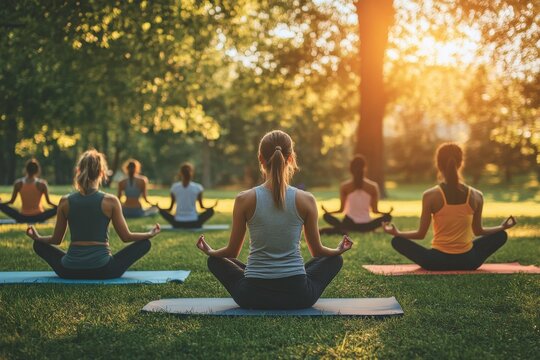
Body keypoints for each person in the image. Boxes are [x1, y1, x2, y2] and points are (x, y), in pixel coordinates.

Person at [196, 130, 353, 310]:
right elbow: (317, 252)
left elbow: (232, 252)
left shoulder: (243, 199)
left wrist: (211, 252)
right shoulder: (306, 199)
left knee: (215, 261)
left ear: (261, 159)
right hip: (299, 295)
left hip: (251, 296)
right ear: (291, 158)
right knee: (335, 259)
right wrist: (338, 250)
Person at [25, 150, 161, 279]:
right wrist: (149, 234)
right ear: (102, 172)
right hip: (104, 270)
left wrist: (38, 238)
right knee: (145, 244)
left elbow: (56, 240)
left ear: (78, 171)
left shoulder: (65, 201)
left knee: (38, 245)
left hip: (68, 271)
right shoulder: (111, 201)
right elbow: (126, 237)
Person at [383, 143, 516, 271]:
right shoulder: (477, 195)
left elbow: (421, 234)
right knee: (501, 235)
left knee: (397, 241)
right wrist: (502, 227)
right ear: (460, 164)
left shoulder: (430, 195)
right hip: (469, 261)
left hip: (436, 262)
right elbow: (478, 231)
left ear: (438, 165)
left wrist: (398, 233)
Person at [320, 155, 392, 235]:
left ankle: (341, 229)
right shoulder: (373, 186)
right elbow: (375, 211)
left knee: (326, 216)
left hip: (349, 223)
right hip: (367, 226)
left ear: (351, 169)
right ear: (365, 168)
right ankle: (343, 229)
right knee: (388, 218)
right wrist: (386, 213)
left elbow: (341, 210)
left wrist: (328, 212)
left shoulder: (345, 186)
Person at [158, 162, 217, 228]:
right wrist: (211, 207)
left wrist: (160, 209)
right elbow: (202, 207)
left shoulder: (174, 187)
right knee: (211, 211)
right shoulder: (198, 187)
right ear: (192, 173)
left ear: (180, 173)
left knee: (161, 211)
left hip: (177, 222)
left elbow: (170, 208)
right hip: (194, 222)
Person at [0, 159, 57, 223]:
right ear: (37, 170)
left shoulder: (18, 183)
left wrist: (1, 204)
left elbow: (11, 201)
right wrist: (59, 207)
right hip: (39, 217)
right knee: (59, 208)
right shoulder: (42, 184)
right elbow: (49, 202)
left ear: (26, 169)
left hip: (22, 217)